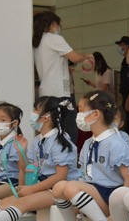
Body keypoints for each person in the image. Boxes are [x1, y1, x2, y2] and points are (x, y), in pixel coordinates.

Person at [45, 91, 129, 221]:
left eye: (81, 109)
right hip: (94, 190)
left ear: (95, 114)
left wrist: (116, 213)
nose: (78, 115)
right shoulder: (88, 143)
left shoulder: (115, 143)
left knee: (71, 187)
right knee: (58, 187)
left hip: (111, 196)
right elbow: (84, 174)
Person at [32, 11, 93, 143]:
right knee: (69, 131)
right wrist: (87, 56)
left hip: (45, 94)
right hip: (59, 93)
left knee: (50, 131)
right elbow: (75, 57)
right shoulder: (53, 38)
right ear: (53, 24)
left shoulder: (38, 41)